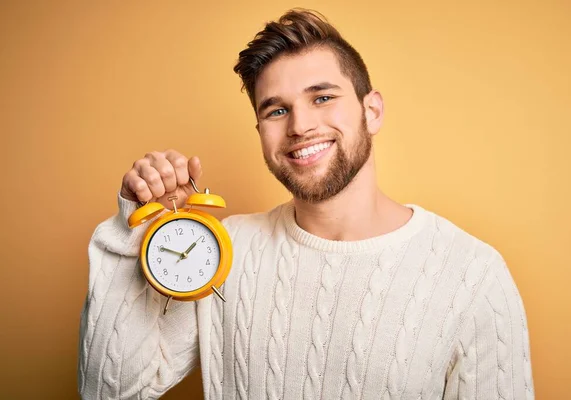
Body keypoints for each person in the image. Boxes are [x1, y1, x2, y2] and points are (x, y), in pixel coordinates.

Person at [78, 8, 534, 400]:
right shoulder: (223, 251)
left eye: (322, 97)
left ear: (371, 111)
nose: (300, 125)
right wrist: (137, 227)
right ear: (261, 130)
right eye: (276, 110)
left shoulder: (473, 275)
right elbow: (111, 391)